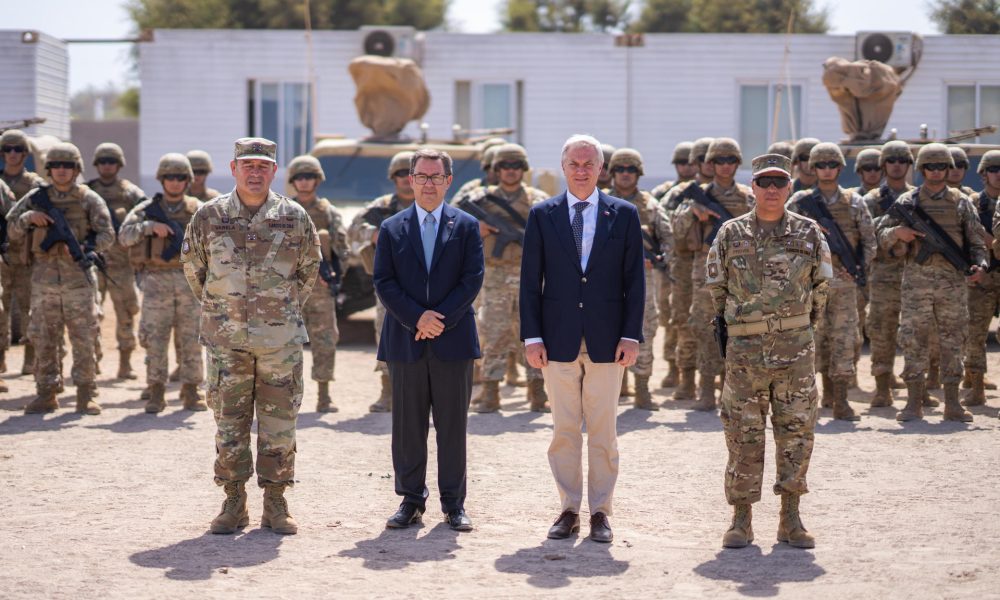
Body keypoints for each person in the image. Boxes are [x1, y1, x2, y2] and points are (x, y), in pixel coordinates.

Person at [182, 137, 321, 535]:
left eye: (263, 166)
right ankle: (233, 501)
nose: (256, 172)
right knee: (229, 422)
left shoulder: (294, 217)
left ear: (274, 171)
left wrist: (278, 311)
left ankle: (276, 502)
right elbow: (194, 269)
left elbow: (308, 271)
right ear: (234, 168)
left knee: (280, 424)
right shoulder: (209, 216)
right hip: (226, 342)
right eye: (249, 165)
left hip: (280, 343)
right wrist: (225, 311)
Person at [521, 134, 645, 543]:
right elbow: (529, 283)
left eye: (589, 163)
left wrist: (631, 335)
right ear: (563, 167)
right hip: (556, 341)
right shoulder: (542, 215)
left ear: (601, 169)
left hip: (608, 342)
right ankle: (569, 508)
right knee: (564, 431)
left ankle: (601, 513)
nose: (581, 170)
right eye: (574, 163)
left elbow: (634, 281)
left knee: (605, 432)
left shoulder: (624, 215)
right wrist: (532, 337)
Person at [705, 153, 831, 550]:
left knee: (795, 431)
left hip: (795, 352)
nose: (772, 189)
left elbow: (821, 291)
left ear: (790, 187)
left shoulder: (809, 233)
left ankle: (790, 518)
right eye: (764, 183)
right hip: (744, 354)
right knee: (743, 434)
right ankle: (741, 519)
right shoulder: (730, 233)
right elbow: (717, 290)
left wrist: (798, 329)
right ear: (753, 188)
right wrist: (743, 328)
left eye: (779, 182)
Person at [373, 148, 484, 532]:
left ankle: (454, 504)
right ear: (410, 179)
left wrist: (438, 321)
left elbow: (472, 280)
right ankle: (410, 500)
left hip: (453, 341)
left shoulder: (467, 225)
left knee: (453, 425)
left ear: (448, 181)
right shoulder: (392, 227)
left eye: (436, 177)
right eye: (421, 176)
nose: (428, 184)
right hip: (406, 339)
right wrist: (416, 318)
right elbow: (383, 281)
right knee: (407, 424)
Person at [876, 143, 987, 423]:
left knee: (953, 339)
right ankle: (914, 403)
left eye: (941, 167)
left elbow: (976, 241)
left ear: (949, 169)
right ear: (922, 169)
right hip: (916, 281)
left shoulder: (961, 202)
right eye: (930, 166)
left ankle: (952, 402)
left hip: (952, 283)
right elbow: (879, 232)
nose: (936, 172)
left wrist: (980, 265)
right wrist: (897, 233)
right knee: (913, 339)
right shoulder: (907, 203)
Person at [7, 142, 115, 415]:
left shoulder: (89, 198)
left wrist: (86, 248)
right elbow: (11, 228)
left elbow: (107, 235)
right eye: (56, 166)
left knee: (84, 337)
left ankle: (85, 393)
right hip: (43, 279)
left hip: (78, 279)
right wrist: (29, 217)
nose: (62, 171)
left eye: (68, 166)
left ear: (77, 168)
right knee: (43, 337)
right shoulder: (35, 197)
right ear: (49, 169)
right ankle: (46, 393)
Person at [787, 143, 876, 421]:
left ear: (840, 168)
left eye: (832, 165)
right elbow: (782, 240)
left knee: (843, 341)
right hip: (808, 286)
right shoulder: (799, 202)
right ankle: (811, 399)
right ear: (813, 168)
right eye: (821, 165)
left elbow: (869, 240)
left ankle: (840, 399)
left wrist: (859, 268)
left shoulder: (854, 202)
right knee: (811, 341)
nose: (826, 170)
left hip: (844, 287)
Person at [465, 143, 549, 413]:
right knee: (493, 332)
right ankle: (491, 392)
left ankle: (538, 393)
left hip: (531, 276)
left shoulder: (537, 199)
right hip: (495, 275)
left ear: (523, 169)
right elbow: (451, 223)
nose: (511, 171)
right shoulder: (480, 198)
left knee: (534, 334)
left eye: (516, 166)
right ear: (496, 169)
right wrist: (474, 228)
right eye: (505, 166)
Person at [119, 153, 205, 413]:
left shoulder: (199, 209)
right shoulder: (145, 210)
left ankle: (191, 390)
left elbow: (216, 243)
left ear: (188, 180)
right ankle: (157, 390)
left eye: (180, 177)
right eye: (170, 177)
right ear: (161, 179)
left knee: (191, 339)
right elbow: (123, 236)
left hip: (190, 282)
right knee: (155, 339)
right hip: (155, 282)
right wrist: (148, 227)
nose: (175, 182)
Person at [673, 138, 754, 411]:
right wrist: (692, 213)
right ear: (710, 163)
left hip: (741, 273)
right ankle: (706, 389)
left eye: (730, 160)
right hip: (706, 272)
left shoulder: (748, 196)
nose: (725, 166)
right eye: (719, 161)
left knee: (739, 330)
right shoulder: (696, 195)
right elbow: (676, 230)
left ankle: (729, 388)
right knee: (706, 329)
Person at [347, 151, 415, 413]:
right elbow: (353, 229)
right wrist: (374, 233)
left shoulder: (429, 203)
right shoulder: (381, 206)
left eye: (410, 173)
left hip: (428, 283)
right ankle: (388, 391)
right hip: (390, 282)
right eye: (400, 174)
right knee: (386, 333)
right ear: (393, 178)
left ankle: (423, 394)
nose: (406, 180)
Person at [606, 148, 672, 410]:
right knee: (607, 328)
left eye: (630, 169)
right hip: (606, 279)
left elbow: (668, 239)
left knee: (644, 327)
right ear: (611, 173)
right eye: (620, 169)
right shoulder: (598, 202)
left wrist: (658, 260)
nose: (625, 174)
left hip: (642, 277)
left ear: (639, 173)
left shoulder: (651, 205)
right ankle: (616, 385)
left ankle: (642, 387)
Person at [287, 155, 349, 413]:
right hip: (288, 288)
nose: (304, 182)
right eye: (300, 177)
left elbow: (342, 248)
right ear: (293, 181)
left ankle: (324, 395)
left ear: (318, 180)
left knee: (324, 340)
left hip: (320, 287)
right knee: (288, 343)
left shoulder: (328, 212)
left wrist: (335, 273)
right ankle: (287, 395)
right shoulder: (282, 210)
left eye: (309, 177)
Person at [861, 141, 915, 406]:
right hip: (882, 275)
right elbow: (864, 235)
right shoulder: (871, 200)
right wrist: (892, 236)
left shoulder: (918, 197)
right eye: (891, 160)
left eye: (902, 160)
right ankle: (882, 388)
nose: (896, 165)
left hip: (916, 274)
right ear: (884, 166)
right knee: (882, 331)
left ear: (909, 165)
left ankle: (918, 387)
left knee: (918, 332)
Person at [86, 142, 145, 380]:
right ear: (96, 165)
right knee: (90, 314)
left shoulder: (130, 192)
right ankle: (93, 360)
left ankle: (125, 363)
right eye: (102, 162)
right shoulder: (87, 191)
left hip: (122, 264)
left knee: (126, 313)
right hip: (92, 262)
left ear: (119, 164)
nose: (107, 166)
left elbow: (144, 219)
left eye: (111, 161)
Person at [663, 137, 715, 399]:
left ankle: (721, 379)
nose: (708, 164)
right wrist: (688, 212)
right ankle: (686, 378)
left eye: (713, 158)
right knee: (684, 323)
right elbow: (668, 231)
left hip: (721, 268)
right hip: (685, 267)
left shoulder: (735, 193)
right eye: (702, 159)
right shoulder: (680, 194)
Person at [650, 141, 694, 388]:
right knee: (671, 316)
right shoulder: (665, 193)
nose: (686, 167)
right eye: (681, 163)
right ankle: (672, 366)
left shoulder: (703, 192)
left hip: (694, 263)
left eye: (690, 163)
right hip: (670, 265)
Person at [0, 129, 45, 375]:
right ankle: (1, 359)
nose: (13, 154)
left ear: (25, 153)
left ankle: (30, 358)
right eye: (8, 149)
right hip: (2, 255)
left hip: (28, 255)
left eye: (18, 149)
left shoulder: (35, 185)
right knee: (1, 309)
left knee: (30, 308)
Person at [966, 150, 1000, 406]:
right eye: (993, 170)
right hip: (983, 276)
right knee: (975, 334)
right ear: (984, 173)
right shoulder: (973, 203)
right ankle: (976, 386)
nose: (998, 175)